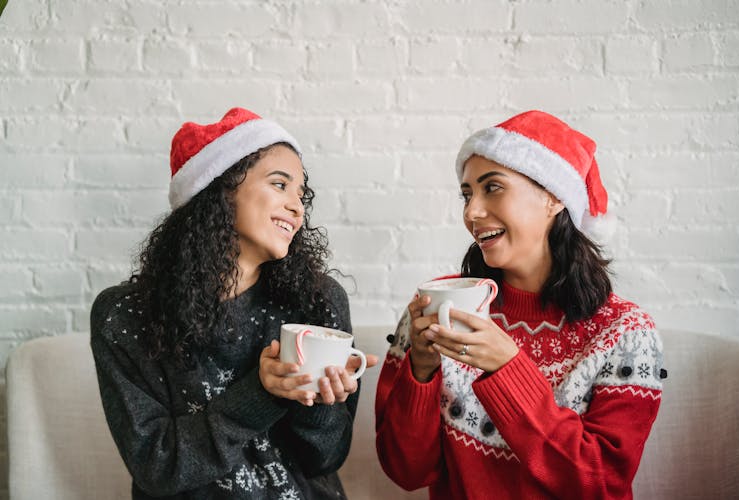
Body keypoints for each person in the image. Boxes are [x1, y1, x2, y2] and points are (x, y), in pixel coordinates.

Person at [375, 110, 666, 500]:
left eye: (492, 188)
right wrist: (421, 371)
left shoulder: (625, 334)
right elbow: (406, 472)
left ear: (552, 197)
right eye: (466, 194)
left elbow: (599, 484)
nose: (472, 212)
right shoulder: (436, 307)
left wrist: (508, 368)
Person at [91, 107, 375, 499]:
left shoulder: (318, 300)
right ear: (219, 189)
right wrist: (262, 393)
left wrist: (320, 402)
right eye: (280, 184)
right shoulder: (125, 316)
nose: (298, 207)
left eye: (301, 193)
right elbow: (157, 467)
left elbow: (324, 461)